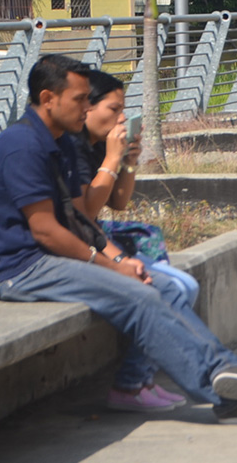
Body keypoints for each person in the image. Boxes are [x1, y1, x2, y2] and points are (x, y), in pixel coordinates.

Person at [0, 54, 237, 424]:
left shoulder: (58, 141)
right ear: (48, 99)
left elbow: (79, 218)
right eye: (80, 99)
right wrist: (108, 264)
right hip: (21, 268)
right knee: (140, 297)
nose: (85, 107)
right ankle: (223, 394)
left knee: (161, 285)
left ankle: (231, 369)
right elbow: (45, 230)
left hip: (55, 258)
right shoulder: (22, 146)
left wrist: (122, 261)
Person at [71, 69, 199, 308]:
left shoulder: (98, 144)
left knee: (188, 285)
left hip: (95, 236)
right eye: (114, 109)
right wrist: (111, 160)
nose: (121, 118)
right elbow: (87, 212)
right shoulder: (73, 149)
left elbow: (118, 203)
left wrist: (128, 163)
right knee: (178, 288)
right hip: (85, 242)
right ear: (88, 107)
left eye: (122, 110)